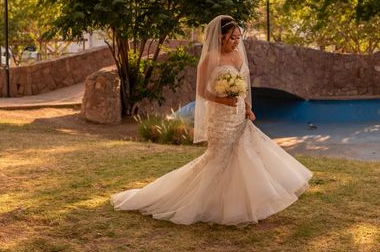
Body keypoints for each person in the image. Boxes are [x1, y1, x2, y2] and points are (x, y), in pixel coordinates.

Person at [111, 15, 312, 226]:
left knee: (244, 157)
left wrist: (247, 108)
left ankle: (240, 207)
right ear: (221, 36)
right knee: (218, 161)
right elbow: (201, 92)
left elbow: (242, 86)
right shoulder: (210, 58)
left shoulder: (237, 56)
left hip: (239, 115)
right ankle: (194, 203)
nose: (236, 42)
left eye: (238, 37)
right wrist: (222, 100)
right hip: (220, 119)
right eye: (232, 37)